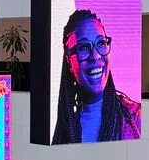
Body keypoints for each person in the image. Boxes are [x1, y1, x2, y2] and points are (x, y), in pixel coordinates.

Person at [52, 9, 141, 144]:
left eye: (101, 43)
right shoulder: (67, 129)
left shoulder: (135, 117)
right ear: (69, 60)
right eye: (84, 47)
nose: (96, 56)